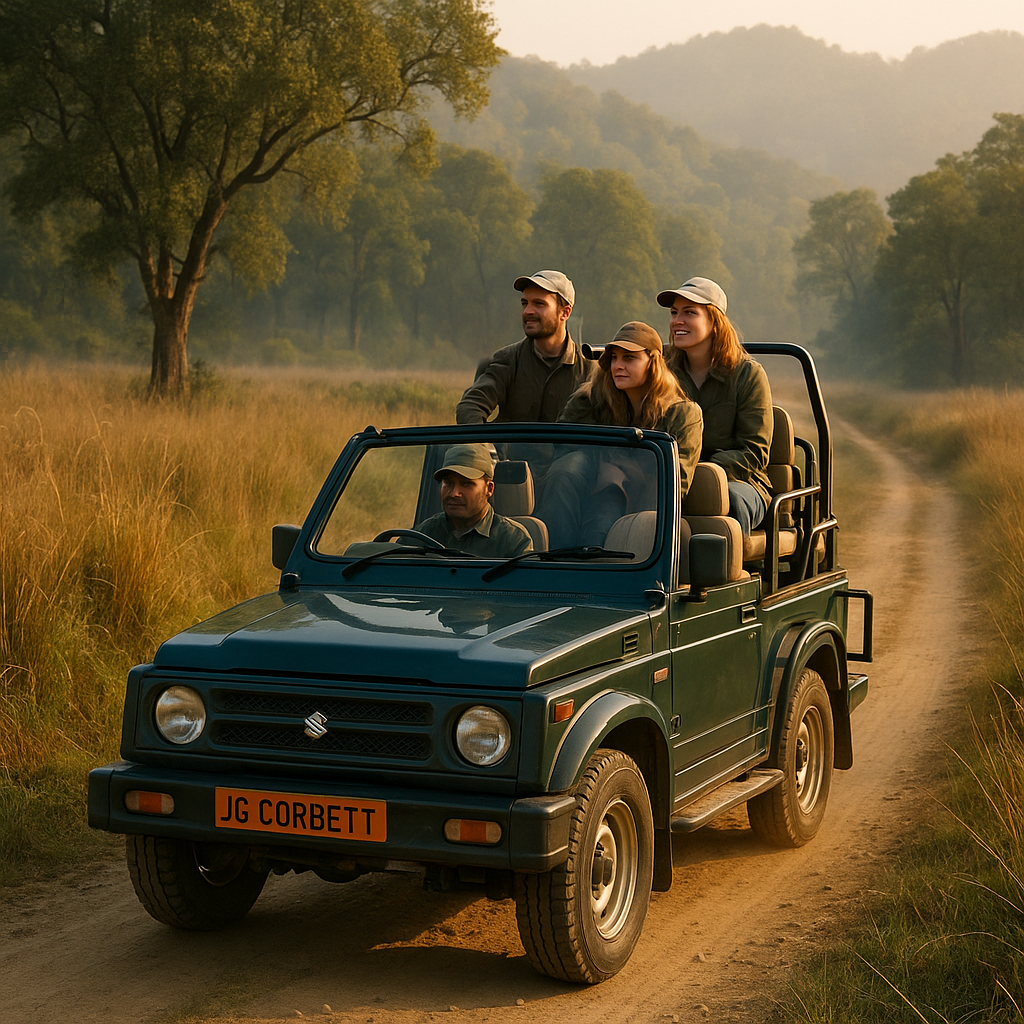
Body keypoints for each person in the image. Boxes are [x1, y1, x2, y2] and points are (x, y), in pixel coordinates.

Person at [544, 321, 703, 549]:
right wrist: (602, 464)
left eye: (629, 358)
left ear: (653, 362)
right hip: (597, 489)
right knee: (570, 467)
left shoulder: (682, 414)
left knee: (610, 521)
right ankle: (555, 561)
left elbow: (676, 482)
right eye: (614, 358)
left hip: (649, 505)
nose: (618, 365)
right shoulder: (590, 401)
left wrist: (629, 470)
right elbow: (562, 447)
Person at [657, 277, 772, 536]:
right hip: (670, 476)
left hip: (739, 481)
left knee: (723, 498)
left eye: (690, 313)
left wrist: (701, 470)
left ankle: (725, 574)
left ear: (715, 321)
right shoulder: (662, 372)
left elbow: (754, 452)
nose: (677, 321)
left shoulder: (747, 375)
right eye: (674, 313)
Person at [455, 270, 591, 424]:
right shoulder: (507, 360)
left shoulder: (589, 369)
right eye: (525, 303)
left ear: (565, 313)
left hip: (568, 449)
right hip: (511, 448)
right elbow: (470, 406)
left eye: (539, 304)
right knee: (463, 450)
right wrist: (483, 443)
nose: (527, 311)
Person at [414, 443, 533, 558]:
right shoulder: (423, 534)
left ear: (489, 489)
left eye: (466, 484)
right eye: (448, 483)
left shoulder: (512, 539)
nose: (454, 493)